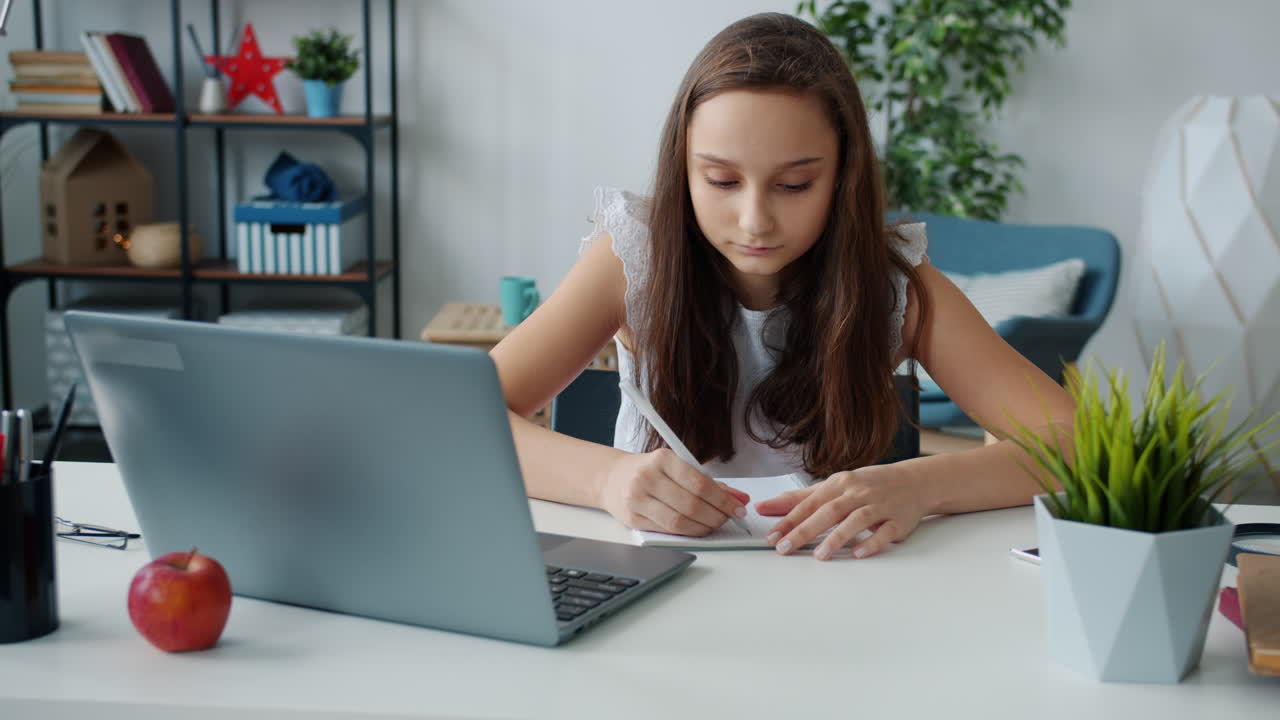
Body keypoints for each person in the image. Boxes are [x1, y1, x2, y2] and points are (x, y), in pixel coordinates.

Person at [489, 12, 1075, 561]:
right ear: (683, 169)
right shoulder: (635, 258)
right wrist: (608, 479)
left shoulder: (891, 286)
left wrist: (919, 485)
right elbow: (467, 416)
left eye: (794, 185)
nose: (754, 221)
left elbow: (1076, 444)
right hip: (656, 575)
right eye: (721, 180)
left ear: (843, 178)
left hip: (830, 583)